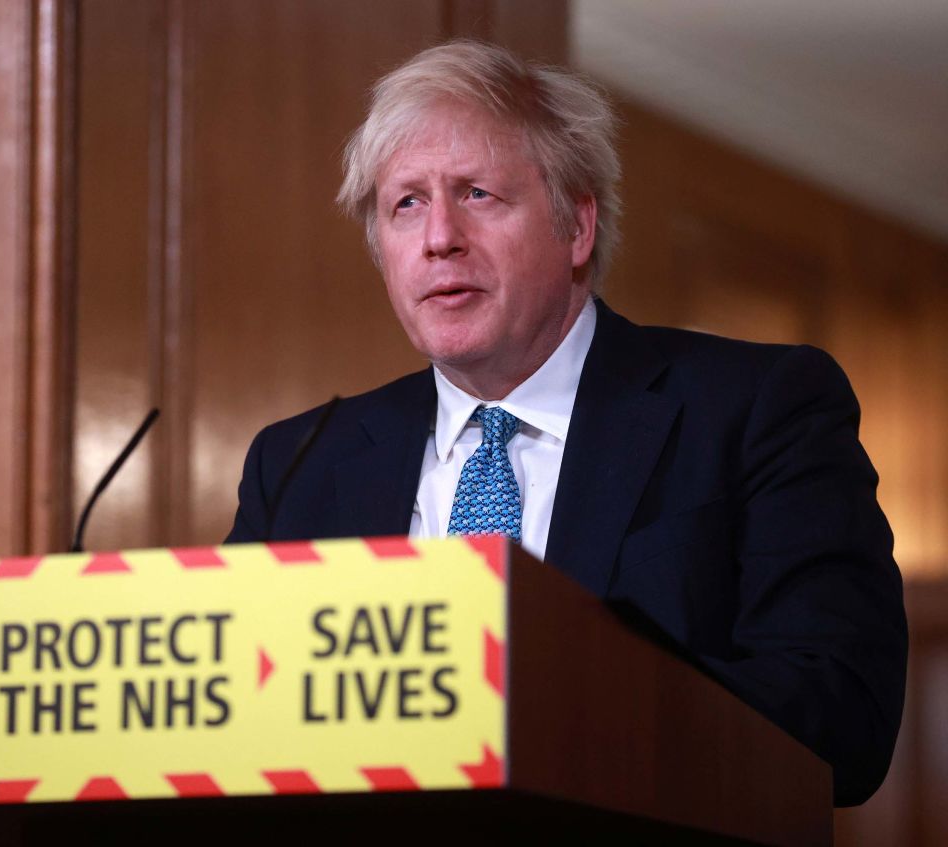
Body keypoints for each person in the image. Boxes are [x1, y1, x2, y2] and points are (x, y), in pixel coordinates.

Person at [225, 40, 906, 807]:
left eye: (477, 192)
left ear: (576, 227)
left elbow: (845, 720)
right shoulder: (297, 463)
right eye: (405, 203)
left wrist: (550, 690)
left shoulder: (757, 409)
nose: (438, 235)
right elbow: (228, 728)